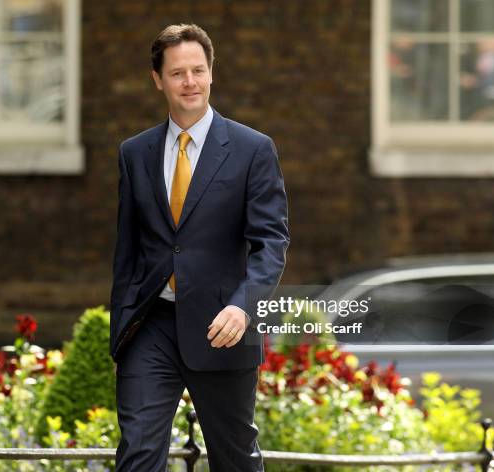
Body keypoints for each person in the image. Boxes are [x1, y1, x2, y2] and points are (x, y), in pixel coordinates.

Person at [110, 23, 289, 472]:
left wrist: (243, 307)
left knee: (235, 458)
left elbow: (271, 242)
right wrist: (122, 336)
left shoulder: (253, 150)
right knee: (137, 454)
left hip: (222, 325)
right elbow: (126, 253)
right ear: (158, 79)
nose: (189, 82)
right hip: (151, 327)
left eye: (198, 70)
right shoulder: (135, 153)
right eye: (177, 73)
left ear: (211, 74)